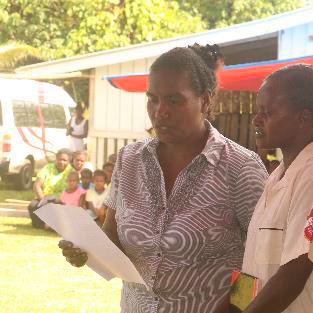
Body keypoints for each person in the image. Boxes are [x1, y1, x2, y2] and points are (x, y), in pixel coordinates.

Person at [58, 43, 267, 313]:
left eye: (174, 100)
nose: (160, 111)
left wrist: (234, 310)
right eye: (152, 98)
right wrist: (87, 249)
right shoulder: (129, 160)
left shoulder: (241, 167)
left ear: (205, 100)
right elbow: (112, 235)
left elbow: (260, 261)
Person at [240, 64, 313, 313]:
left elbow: (293, 275)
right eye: (258, 111)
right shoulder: (279, 176)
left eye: (267, 112)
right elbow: (253, 273)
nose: (256, 120)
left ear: (304, 118)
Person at [27, 148, 73, 229]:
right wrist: (43, 200)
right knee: (33, 205)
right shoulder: (48, 168)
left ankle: (52, 226)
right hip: (45, 198)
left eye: (64, 160)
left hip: (62, 199)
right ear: (56, 159)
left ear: (69, 161)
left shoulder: (71, 171)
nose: (61, 162)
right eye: (59, 159)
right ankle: (42, 226)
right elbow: (37, 185)